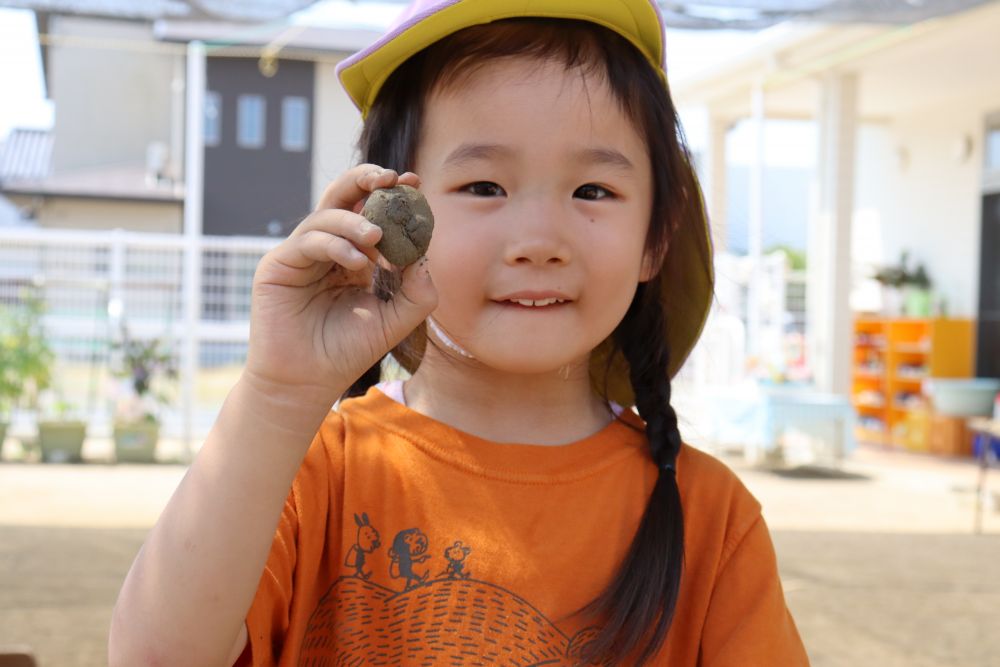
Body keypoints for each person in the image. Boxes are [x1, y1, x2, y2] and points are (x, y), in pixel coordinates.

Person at [109, 0, 810, 664]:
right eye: (484, 186)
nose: (539, 240)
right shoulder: (309, 472)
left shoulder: (711, 520)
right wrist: (276, 392)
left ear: (658, 235)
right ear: (390, 215)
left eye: (593, 191)